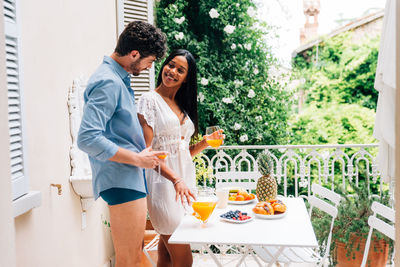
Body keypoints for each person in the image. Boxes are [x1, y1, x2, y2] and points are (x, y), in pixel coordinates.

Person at [77, 21, 167, 267]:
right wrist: (138, 159)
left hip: (129, 176)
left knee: (133, 257)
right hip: (121, 178)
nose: (149, 67)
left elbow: (117, 131)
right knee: (128, 260)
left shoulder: (118, 78)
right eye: (149, 61)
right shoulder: (108, 81)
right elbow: (87, 138)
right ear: (134, 54)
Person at [137, 49, 224, 267]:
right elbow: (148, 154)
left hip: (184, 188)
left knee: (167, 255)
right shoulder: (149, 100)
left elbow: (182, 152)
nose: (172, 71)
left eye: (180, 70)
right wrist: (176, 179)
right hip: (164, 188)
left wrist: (204, 143)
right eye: (170, 65)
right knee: (185, 258)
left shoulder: (181, 105)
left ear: (186, 78)